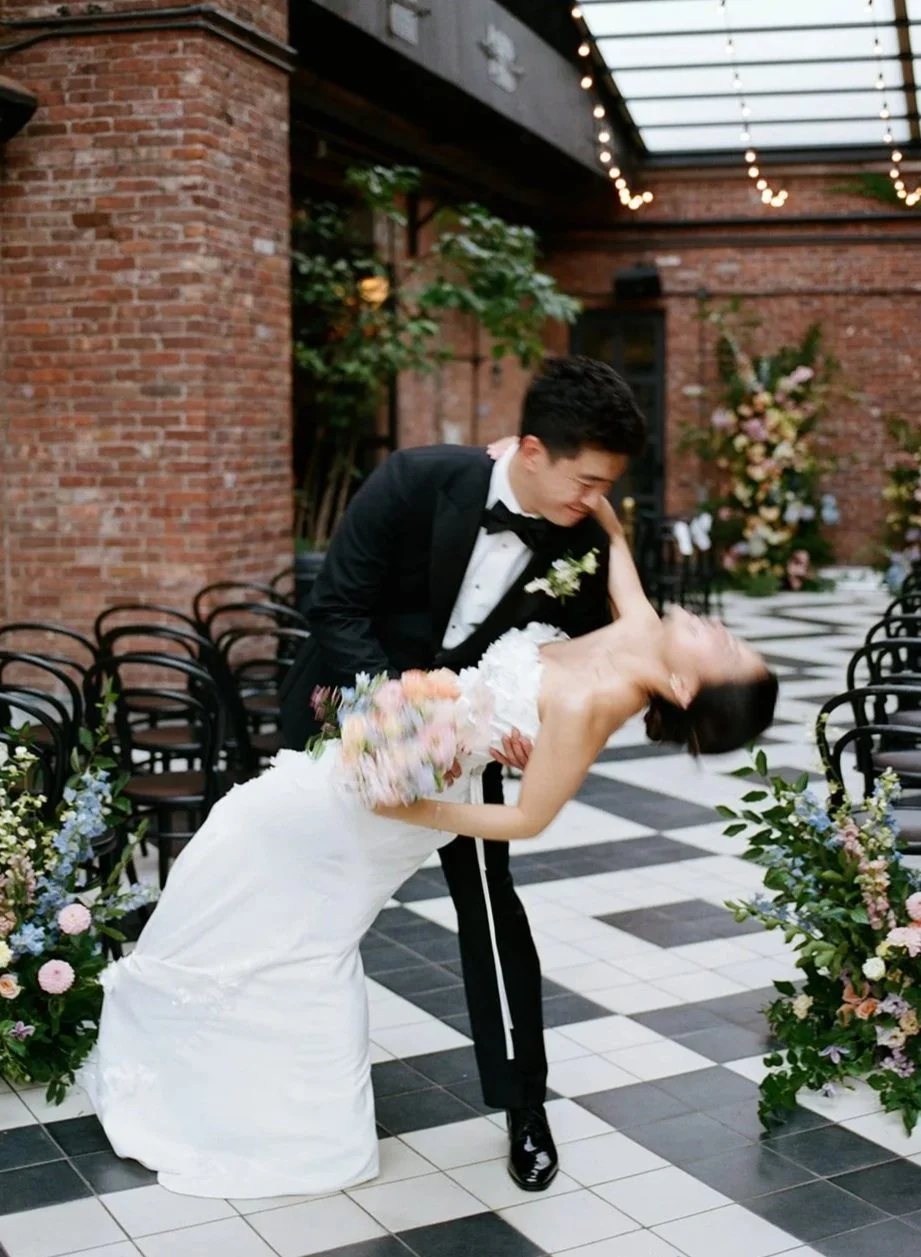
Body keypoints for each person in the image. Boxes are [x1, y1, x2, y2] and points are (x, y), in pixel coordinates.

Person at [81, 496, 778, 1201]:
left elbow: (532, 818)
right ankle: (194, 1055)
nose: (717, 627)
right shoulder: (636, 630)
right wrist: (598, 503)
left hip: (410, 794)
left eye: (724, 647)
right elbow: (620, 563)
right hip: (379, 753)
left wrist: (413, 802)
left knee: (303, 921)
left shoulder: (588, 705)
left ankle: (315, 1111)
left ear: (685, 686)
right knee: (239, 861)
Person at [278, 355, 646, 1191]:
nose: (592, 500)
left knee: (490, 904)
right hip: (348, 711)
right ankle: (284, 1078)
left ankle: (523, 1104)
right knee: (299, 891)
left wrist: (532, 720)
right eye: (585, 480)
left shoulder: (583, 538)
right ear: (529, 447)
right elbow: (334, 604)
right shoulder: (416, 480)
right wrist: (397, 709)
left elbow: (577, 654)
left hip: (471, 741)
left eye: (606, 487)